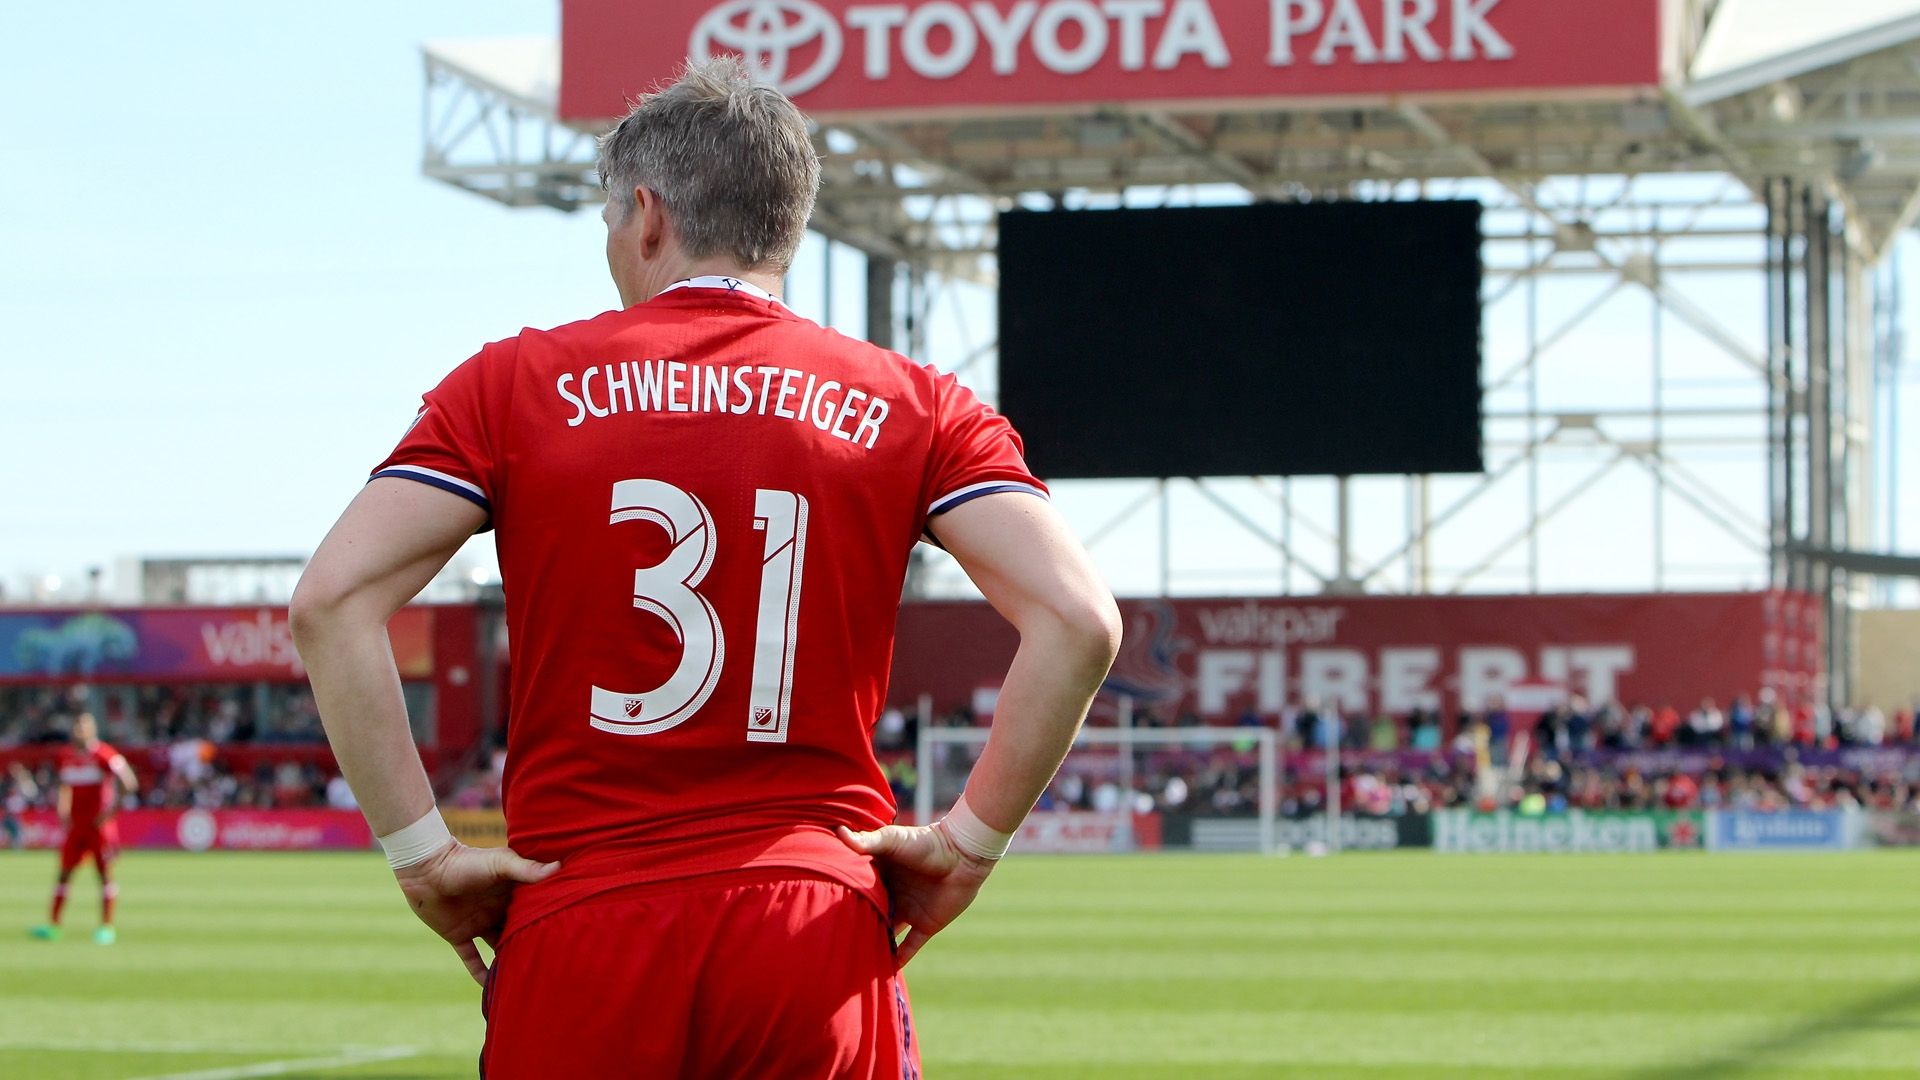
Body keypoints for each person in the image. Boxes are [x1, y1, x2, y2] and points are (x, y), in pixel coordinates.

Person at [290, 58, 1120, 1078]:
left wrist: (422, 855)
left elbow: (331, 601)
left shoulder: (510, 386)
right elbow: (1081, 620)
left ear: (646, 217)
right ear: (788, 226)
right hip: (810, 928)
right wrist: (969, 845)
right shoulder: (917, 404)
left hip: (581, 920)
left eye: (609, 217)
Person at [30, 713, 138, 944]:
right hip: (75, 827)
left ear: (92, 730)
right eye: (76, 727)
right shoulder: (66, 756)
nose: (78, 731)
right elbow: (64, 785)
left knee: (104, 875)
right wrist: (62, 807)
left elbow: (129, 782)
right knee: (64, 873)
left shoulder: (104, 754)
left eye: (83, 727)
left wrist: (110, 813)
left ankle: (106, 927)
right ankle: (53, 926)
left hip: (98, 827)